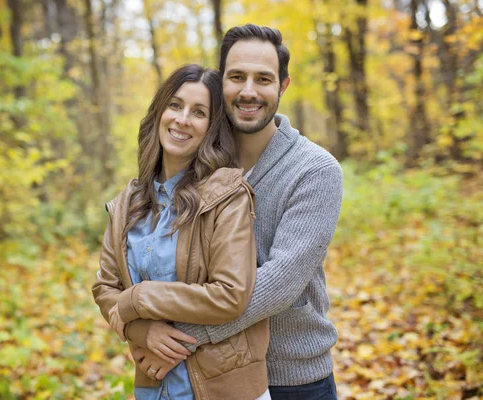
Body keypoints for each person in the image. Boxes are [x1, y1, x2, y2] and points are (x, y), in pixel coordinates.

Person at [124, 25, 344, 400]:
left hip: (292, 377)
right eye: (237, 77)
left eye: (263, 79)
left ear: (283, 86)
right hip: (208, 379)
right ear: (220, 81)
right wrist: (139, 329)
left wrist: (176, 336)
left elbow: (279, 283)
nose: (248, 91)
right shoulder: (196, 159)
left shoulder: (315, 170)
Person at [92, 64, 272, 399]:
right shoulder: (127, 203)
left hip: (223, 387)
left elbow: (230, 294)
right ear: (159, 111)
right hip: (153, 386)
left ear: (211, 127)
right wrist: (138, 327)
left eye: (199, 112)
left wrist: (140, 298)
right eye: (175, 105)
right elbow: (105, 287)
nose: (183, 119)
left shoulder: (226, 195)